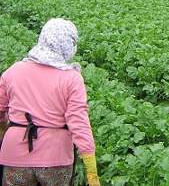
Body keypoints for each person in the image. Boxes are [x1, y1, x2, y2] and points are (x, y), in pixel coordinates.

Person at [0, 18, 100, 186]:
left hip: (15, 155)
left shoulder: (14, 70)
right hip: (56, 159)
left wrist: (3, 130)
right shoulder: (71, 78)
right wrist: (91, 169)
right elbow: (79, 123)